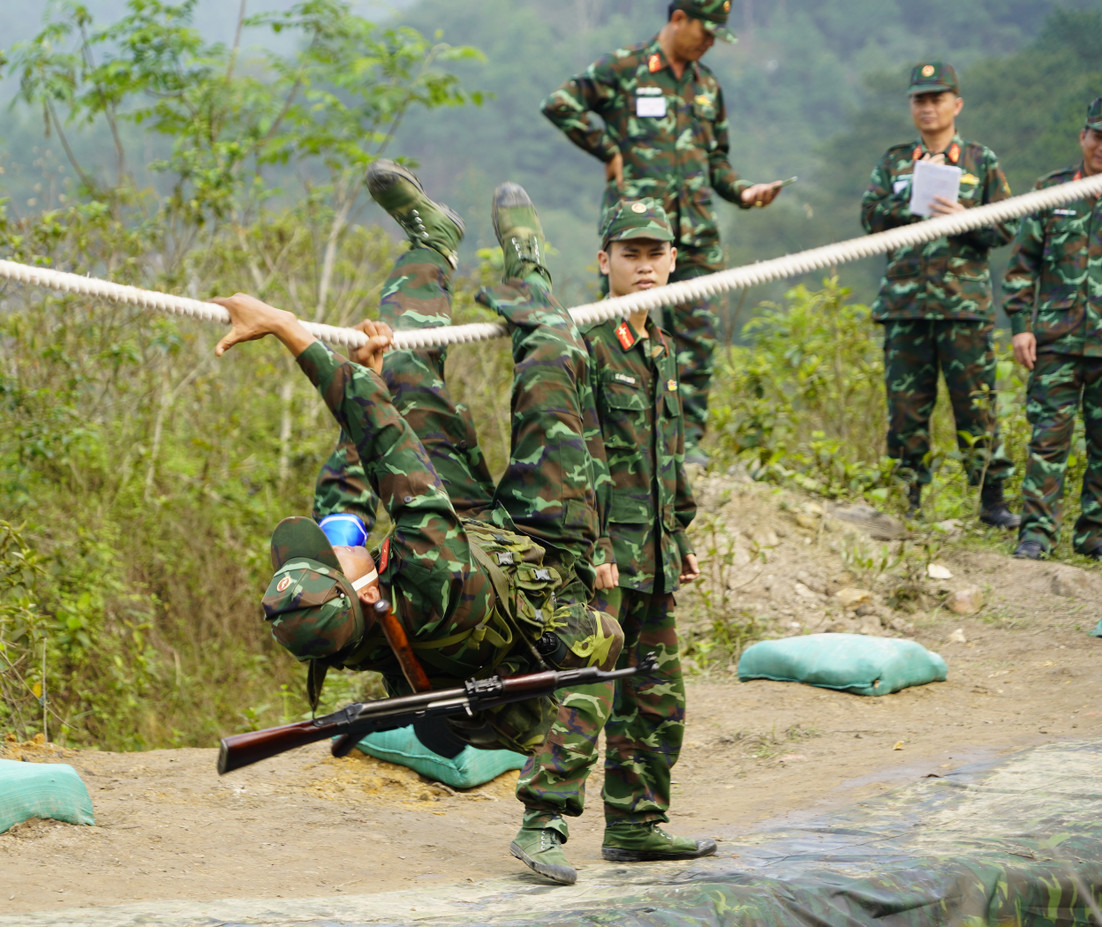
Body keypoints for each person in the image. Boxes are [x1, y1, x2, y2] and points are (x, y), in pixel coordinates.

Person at [215, 161, 623, 758]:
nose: (333, 549)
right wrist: (287, 329)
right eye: (333, 561)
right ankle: (529, 264)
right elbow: (390, 449)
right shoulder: (428, 574)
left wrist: (369, 378)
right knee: (550, 359)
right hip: (541, 552)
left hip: (468, 536)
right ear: (361, 590)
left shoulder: (348, 624)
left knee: (400, 371)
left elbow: (359, 463)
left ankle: (432, 242)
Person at [509, 199, 713, 885]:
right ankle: (542, 821)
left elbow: (663, 452)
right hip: (600, 559)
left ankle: (635, 822)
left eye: (656, 252)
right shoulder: (586, 342)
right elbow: (577, 451)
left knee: (657, 695)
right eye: (631, 252)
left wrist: (678, 528)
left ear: (674, 260)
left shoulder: (659, 347)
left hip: (651, 556)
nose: (645, 263)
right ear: (604, 261)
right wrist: (589, 546)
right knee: (588, 688)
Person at [541, 0, 784, 466]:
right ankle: (615, 438)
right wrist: (606, 149)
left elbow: (717, 163)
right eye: (705, 31)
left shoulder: (706, 85)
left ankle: (685, 445)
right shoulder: (625, 67)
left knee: (697, 339)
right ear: (678, 20)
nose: (710, 42)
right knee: (617, 332)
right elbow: (559, 103)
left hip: (692, 233)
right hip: (633, 234)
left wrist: (745, 192)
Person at [860, 62, 1019, 527]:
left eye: (937, 98)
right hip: (905, 306)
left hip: (963, 309)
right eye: (919, 100)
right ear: (911, 107)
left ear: (956, 104)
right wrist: (909, 199)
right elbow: (869, 217)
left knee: (977, 404)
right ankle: (908, 502)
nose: (928, 107)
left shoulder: (980, 161)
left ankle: (992, 501)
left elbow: (1008, 226)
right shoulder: (894, 162)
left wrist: (965, 214)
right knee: (906, 411)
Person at [1003, 97, 1102, 562]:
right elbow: (1022, 265)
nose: (1101, 146)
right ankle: (1037, 534)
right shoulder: (1053, 191)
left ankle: (1093, 535)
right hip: (1056, 342)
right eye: (1097, 135)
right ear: (1083, 137)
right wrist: (1021, 326)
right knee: (1047, 440)